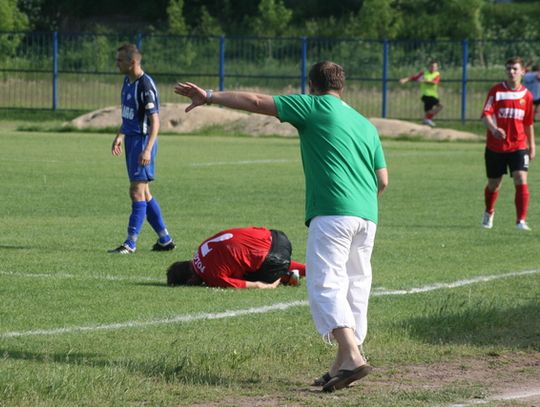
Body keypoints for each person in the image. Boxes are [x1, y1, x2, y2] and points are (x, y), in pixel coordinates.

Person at [174, 61, 388, 393]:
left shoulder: (314, 106)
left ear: (312, 85)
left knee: (326, 283)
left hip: (333, 213)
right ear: (341, 85)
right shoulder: (365, 124)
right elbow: (383, 181)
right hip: (367, 217)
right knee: (355, 286)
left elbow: (258, 102)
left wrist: (211, 96)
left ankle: (353, 357)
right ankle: (341, 364)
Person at [109, 44, 175, 254]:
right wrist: (120, 135)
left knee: (136, 191)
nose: (116, 64)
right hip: (131, 141)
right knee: (145, 193)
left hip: (142, 143)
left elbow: (155, 122)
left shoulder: (145, 85)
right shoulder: (127, 82)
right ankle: (165, 240)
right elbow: (129, 116)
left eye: (120, 60)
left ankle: (130, 243)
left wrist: (147, 150)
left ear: (133, 62)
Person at [481, 56, 535, 231]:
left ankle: (521, 221)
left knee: (520, 178)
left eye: (515, 69)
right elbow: (486, 115)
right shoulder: (496, 91)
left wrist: (532, 146)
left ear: (523, 72)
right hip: (495, 147)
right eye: (509, 69)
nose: (511, 72)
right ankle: (489, 212)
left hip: (519, 145)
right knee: (494, 184)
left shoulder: (527, 96)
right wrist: (494, 128)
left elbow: (528, 123)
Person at [166, 227, 305, 288]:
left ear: (190, 280)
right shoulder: (201, 248)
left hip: (275, 258)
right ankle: (307, 269)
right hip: (276, 236)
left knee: (245, 274)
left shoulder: (210, 276)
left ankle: (287, 275)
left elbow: (253, 285)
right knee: (247, 257)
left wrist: (269, 285)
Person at [399, 60, 443, 127]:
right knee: (440, 106)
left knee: (429, 110)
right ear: (429, 67)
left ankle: (426, 120)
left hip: (433, 95)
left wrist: (425, 81)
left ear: (437, 68)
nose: (433, 68)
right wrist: (405, 80)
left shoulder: (437, 74)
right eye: (431, 66)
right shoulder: (424, 73)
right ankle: (427, 119)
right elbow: (414, 77)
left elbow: (435, 82)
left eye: (434, 67)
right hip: (426, 95)